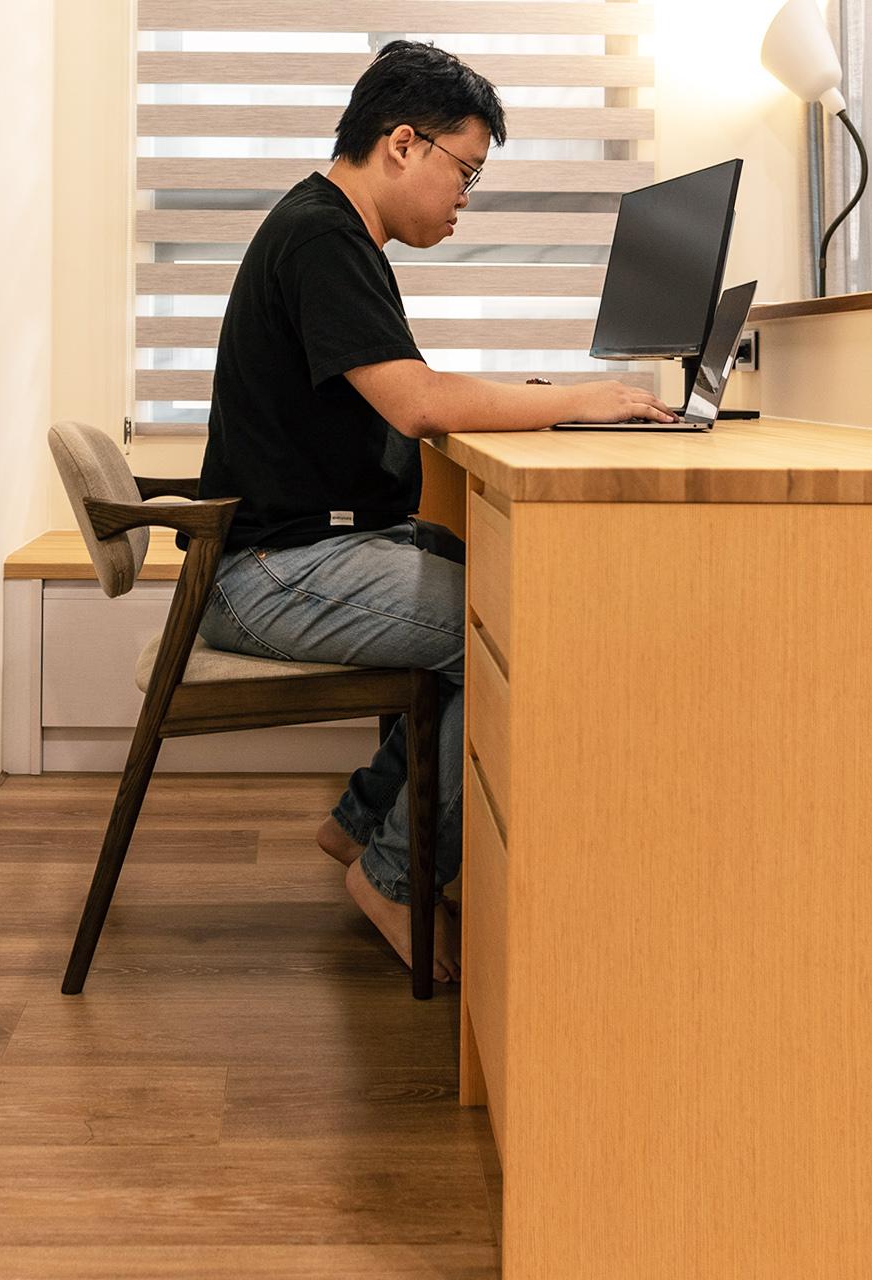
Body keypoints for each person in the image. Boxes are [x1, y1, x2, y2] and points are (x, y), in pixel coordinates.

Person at [193, 40, 674, 980]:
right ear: (403, 144)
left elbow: (405, 391)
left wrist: (546, 400)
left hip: (293, 550)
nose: (466, 196)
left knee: (488, 575)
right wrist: (576, 401)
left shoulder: (335, 232)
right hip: (268, 571)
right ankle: (394, 876)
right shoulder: (322, 238)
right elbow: (416, 403)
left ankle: (360, 822)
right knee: (513, 630)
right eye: (467, 170)